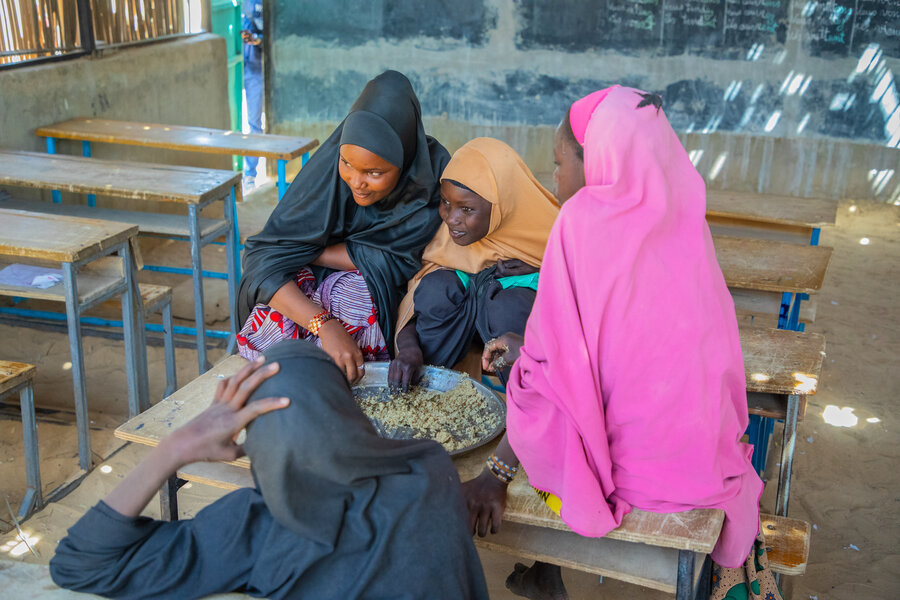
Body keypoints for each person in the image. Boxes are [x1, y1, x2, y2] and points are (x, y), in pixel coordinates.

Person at [464, 86, 766, 600]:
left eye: (560, 163)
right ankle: (543, 573)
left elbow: (555, 373)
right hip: (703, 459)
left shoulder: (581, 225)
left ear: (600, 160)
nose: (554, 178)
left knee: (535, 410)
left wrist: (496, 468)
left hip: (636, 477)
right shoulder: (686, 216)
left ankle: (545, 564)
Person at [50, 340, 490, 600]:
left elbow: (78, 563)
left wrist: (176, 447)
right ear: (344, 411)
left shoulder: (256, 529)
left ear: (254, 437)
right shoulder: (427, 469)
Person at [236, 70, 449, 384]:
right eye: (347, 163)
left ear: (403, 159)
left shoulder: (429, 178)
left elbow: (397, 261)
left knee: (360, 298)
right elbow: (262, 258)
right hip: (312, 284)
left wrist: (311, 251)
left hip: (376, 290)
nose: (356, 182)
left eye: (375, 172)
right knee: (275, 322)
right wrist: (323, 324)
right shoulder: (326, 171)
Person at [388, 138, 559, 392]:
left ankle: (527, 404)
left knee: (509, 306)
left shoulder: (554, 236)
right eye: (446, 202)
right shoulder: (445, 242)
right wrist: (410, 350)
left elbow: (581, 306)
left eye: (467, 209)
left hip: (515, 343)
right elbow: (414, 309)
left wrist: (543, 274)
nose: (452, 219)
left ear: (502, 204)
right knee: (436, 289)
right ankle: (432, 391)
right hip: (454, 340)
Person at [241, 0, 264, 187]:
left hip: (261, 67)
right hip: (248, 67)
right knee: (252, 122)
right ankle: (249, 173)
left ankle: (250, 173)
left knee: (256, 122)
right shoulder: (243, 4)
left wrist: (259, 39)